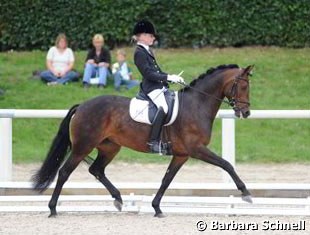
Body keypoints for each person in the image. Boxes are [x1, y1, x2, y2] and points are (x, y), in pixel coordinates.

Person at [133, 19, 185, 154]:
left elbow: (158, 71)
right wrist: (167, 77)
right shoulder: (139, 52)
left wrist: (172, 77)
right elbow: (148, 73)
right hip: (150, 88)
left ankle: (168, 140)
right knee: (164, 107)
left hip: (158, 86)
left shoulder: (148, 50)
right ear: (143, 36)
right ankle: (153, 142)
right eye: (151, 35)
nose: (153, 38)